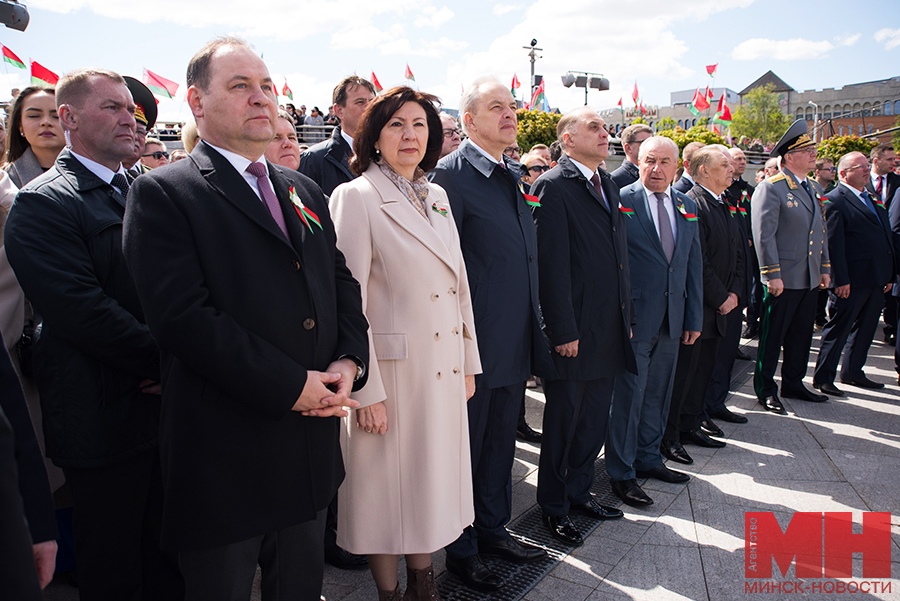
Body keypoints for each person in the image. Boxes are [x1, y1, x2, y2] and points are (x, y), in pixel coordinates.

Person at [122, 37, 369, 601]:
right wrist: (291, 386)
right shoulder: (164, 192)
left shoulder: (301, 188)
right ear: (196, 101)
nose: (262, 99)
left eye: (265, 86)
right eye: (240, 87)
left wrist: (349, 361)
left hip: (306, 448)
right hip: (224, 457)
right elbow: (183, 318)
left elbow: (339, 282)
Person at [5, 67, 183, 601]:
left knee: (167, 560)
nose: (130, 119)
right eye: (113, 108)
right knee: (114, 569)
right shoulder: (43, 203)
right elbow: (82, 310)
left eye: (131, 109)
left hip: (161, 414)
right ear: (69, 117)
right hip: (101, 421)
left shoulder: (145, 191)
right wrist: (166, 363)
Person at [329, 85, 481, 601]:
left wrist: (468, 363)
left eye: (419, 123)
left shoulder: (436, 195)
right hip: (390, 376)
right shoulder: (356, 196)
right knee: (383, 496)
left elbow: (457, 284)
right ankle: (389, 592)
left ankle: (424, 583)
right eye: (396, 124)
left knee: (429, 489)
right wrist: (365, 390)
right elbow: (346, 302)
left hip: (440, 369)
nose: (410, 134)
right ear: (374, 137)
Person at [429, 76, 555, 592]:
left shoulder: (509, 173)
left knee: (501, 445)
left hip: (511, 341)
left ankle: (493, 529)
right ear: (469, 120)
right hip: (472, 349)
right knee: (468, 449)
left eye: (514, 107)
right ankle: (460, 550)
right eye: (496, 107)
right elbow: (444, 270)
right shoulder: (448, 180)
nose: (510, 115)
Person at [533, 107, 628, 545]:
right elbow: (551, 267)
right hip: (574, 332)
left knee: (592, 421)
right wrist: (562, 330)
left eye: (605, 128)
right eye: (594, 127)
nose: (605, 134)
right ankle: (552, 507)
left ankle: (579, 492)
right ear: (567, 139)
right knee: (564, 422)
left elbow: (618, 259)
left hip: (608, 327)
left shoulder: (606, 181)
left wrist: (624, 319)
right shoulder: (553, 186)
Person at [607, 136, 702, 506]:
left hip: (672, 318)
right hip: (634, 318)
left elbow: (691, 264)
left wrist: (692, 315)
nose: (657, 169)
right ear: (637, 160)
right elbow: (612, 264)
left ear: (677, 167)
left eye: (665, 162)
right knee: (628, 397)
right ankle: (621, 471)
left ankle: (648, 458)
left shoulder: (686, 204)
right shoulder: (619, 199)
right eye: (650, 160)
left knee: (659, 393)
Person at [662, 146, 744, 463]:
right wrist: (722, 297)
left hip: (720, 306)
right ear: (705, 171)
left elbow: (738, 253)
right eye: (723, 164)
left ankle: (691, 424)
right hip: (700, 306)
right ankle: (671, 436)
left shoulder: (723, 202)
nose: (731, 169)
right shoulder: (694, 203)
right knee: (684, 376)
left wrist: (735, 292)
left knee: (702, 373)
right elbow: (698, 261)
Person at [752, 120, 830, 415]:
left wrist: (823, 267)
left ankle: (794, 383)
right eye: (807, 150)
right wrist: (772, 274)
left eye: (813, 149)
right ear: (788, 157)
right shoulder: (771, 188)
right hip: (782, 278)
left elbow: (819, 232)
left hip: (807, 276)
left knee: (801, 335)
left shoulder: (810, 187)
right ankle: (765, 388)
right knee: (773, 337)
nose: (814, 154)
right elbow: (764, 235)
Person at [813, 152, 896, 395]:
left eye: (867, 166)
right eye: (860, 167)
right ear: (843, 174)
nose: (865, 170)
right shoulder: (834, 200)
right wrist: (840, 279)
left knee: (867, 328)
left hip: (876, 277)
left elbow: (885, 235)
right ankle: (824, 377)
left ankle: (853, 371)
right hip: (852, 279)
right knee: (839, 328)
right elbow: (833, 244)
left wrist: (890, 275)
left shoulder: (871, 197)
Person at [297, 76, 376, 197]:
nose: (368, 108)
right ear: (339, 111)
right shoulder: (312, 160)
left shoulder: (387, 154)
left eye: (372, 102)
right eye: (360, 102)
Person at [866, 144, 900, 344]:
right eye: (889, 159)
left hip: (892, 243)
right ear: (876, 160)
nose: (893, 162)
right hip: (868, 246)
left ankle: (891, 328)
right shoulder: (860, 183)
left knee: (892, 289)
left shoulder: (897, 182)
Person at [4, 86, 65, 187]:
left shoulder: (95, 172)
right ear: (20, 126)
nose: (46, 122)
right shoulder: (5, 182)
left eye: (56, 116)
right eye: (34, 115)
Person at [610, 123, 652, 188]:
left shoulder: (657, 175)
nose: (651, 147)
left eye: (651, 142)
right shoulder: (614, 179)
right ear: (628, 148)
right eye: (644, 142)